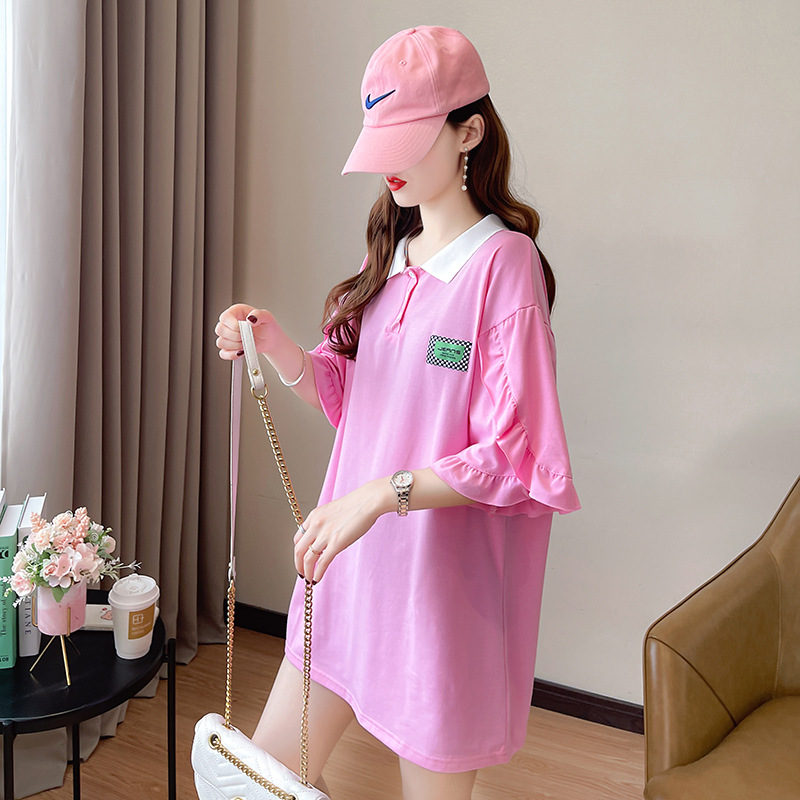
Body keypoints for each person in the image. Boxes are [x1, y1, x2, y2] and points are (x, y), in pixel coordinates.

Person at [215, 25, 579, 800]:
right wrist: (278, 347)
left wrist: (381, 496)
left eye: (408, 140)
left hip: (440, 599)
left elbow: (517, 453)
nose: (389, 165)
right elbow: (358, 402)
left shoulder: (504, 266)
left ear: (468, 132)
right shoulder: (389, 255)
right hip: (350, 574)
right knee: (259, 784)